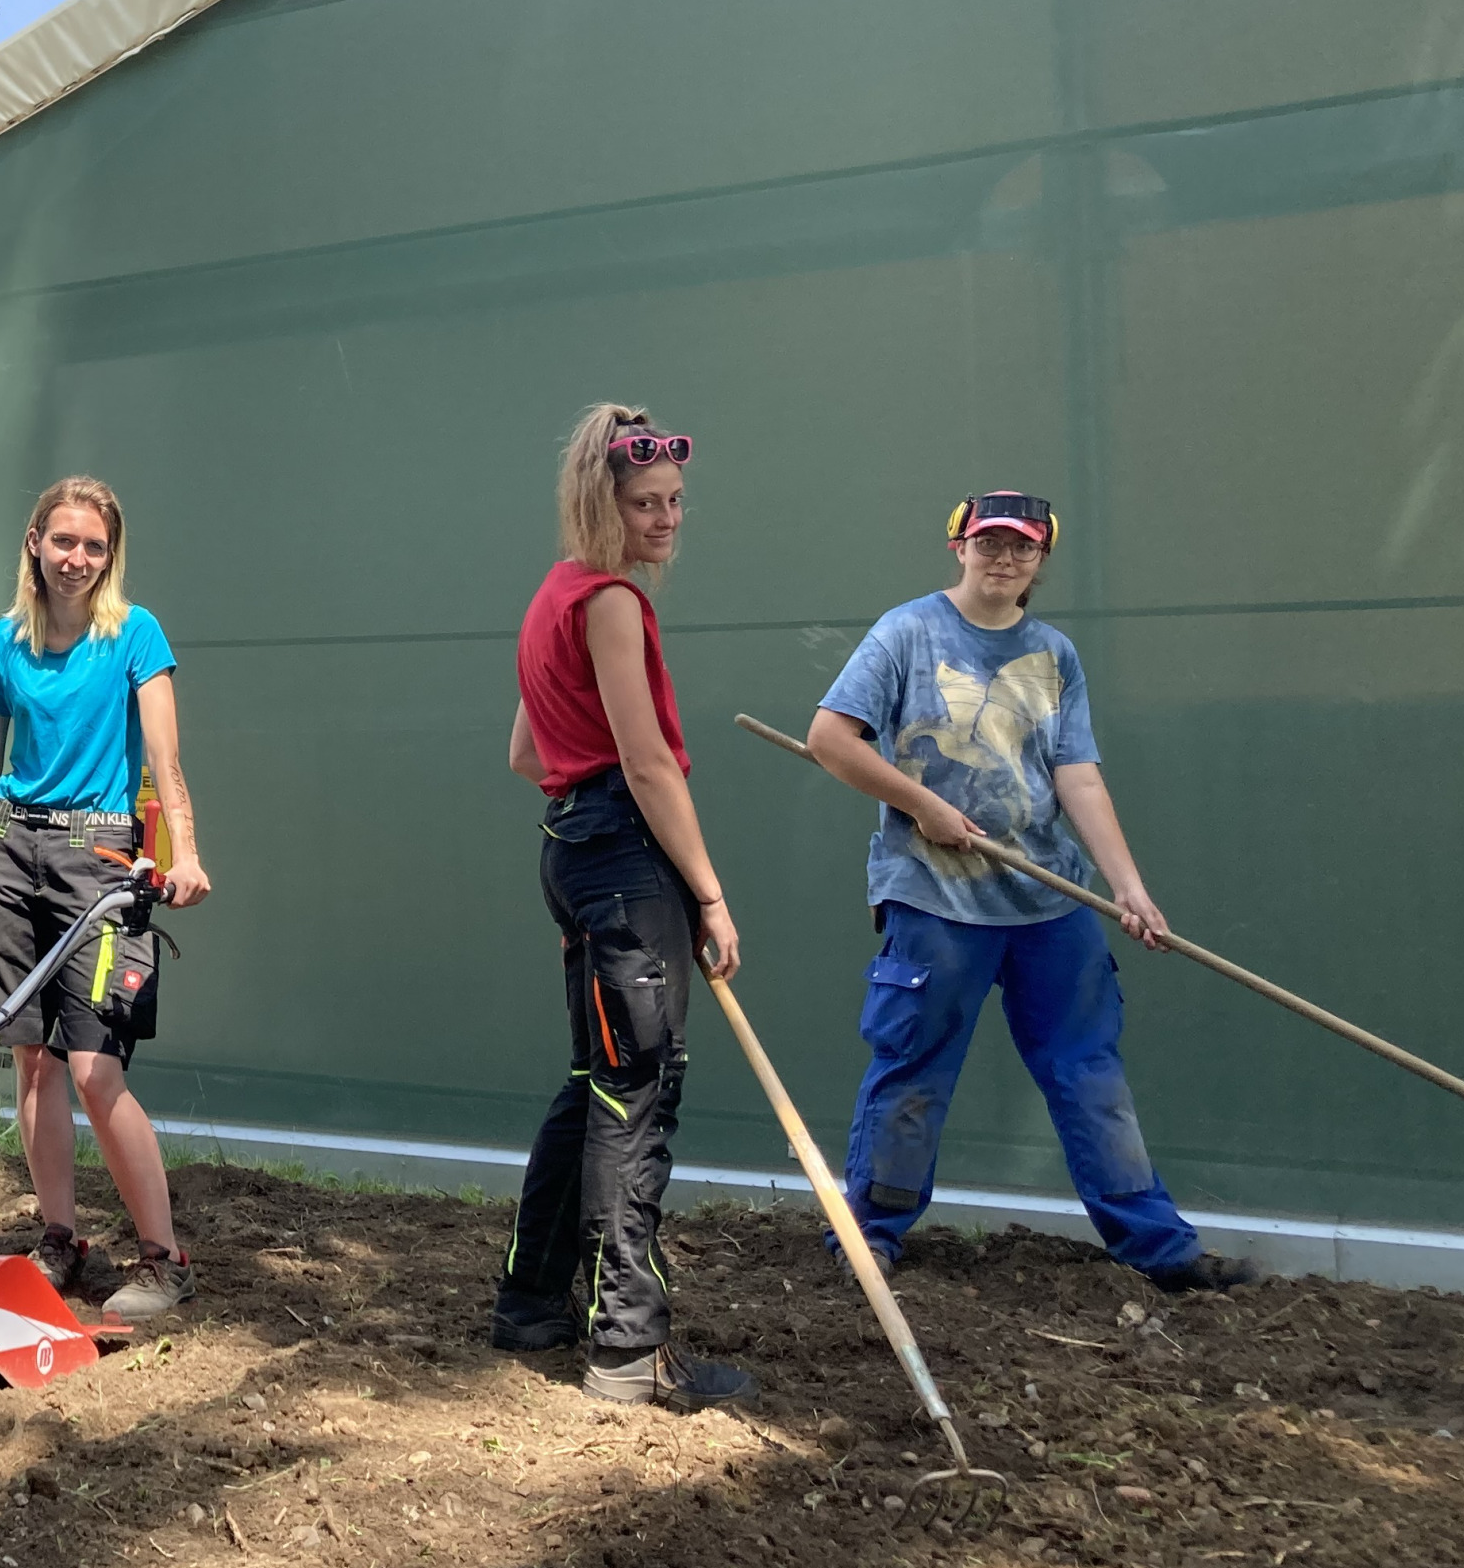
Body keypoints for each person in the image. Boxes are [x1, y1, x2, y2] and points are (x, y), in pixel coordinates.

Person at [805, 492, 1260, 1295]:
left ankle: (1159, 1248)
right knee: (914, 1066)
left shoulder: (1054, 653)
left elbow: (1076, 776)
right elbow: (829, 740)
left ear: (1042, 560)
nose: (1004, 559)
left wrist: (1128, 888)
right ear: (958, 546)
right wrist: (922, 805)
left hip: (1051, 903)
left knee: (1089, 1068)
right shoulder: (906, 633)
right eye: (990, 543)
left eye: (1022, 547)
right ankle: (870, 1237)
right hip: (935, 899)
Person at [498, 405, 755, 1410]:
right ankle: (626, 1351)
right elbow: (646, 760)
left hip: (572, 846)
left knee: (594, 1081)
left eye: (673, 502)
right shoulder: (607, 602)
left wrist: (588, 808)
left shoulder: (550, 598)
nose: (664, 519)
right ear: (598, 503)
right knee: (636, 1093)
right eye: (644, 503)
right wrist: (707, 891)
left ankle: (528, 1306)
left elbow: (526, 754)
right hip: (622, 859)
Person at [0, 475, 210, 1322]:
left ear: (108, 554)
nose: (78, 558)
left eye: (94, 545)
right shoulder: (1, 643)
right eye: (64, 541)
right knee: (32, 1059)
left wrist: (185, 852)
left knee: (94, 1068)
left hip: (99, 856)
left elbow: (164, 761)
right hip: (11, 854)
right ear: (35, 544)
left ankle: (163, 1259)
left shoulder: (135, 636)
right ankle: (60, 1239)